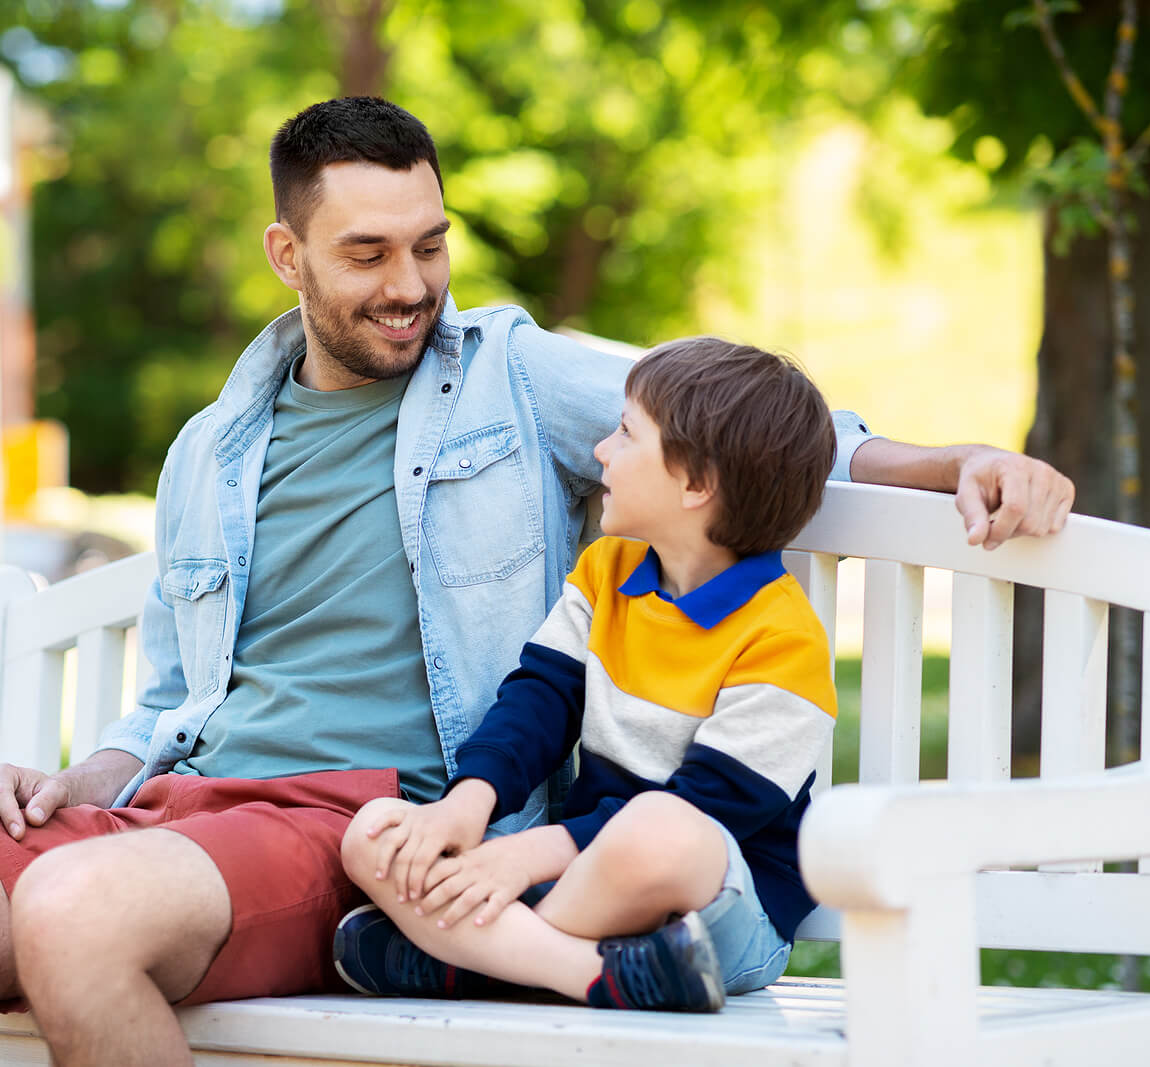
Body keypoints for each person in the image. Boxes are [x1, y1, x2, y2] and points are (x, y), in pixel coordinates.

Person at [0, 97, 1075, 1067]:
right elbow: (170, 689)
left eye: (429, 246)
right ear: (290, 257)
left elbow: (747, 426)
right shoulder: (213, 446)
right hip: (182, 806)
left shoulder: (508, 371)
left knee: (70, 910)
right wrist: (67, 778)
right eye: (369, 255)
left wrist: (954, 456)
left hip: (371, 820)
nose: (411, 287)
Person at [334, 337, 838, 1012]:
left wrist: (528, 855)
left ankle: (478, 958)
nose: (602, 449)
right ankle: (583, 972)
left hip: (716, 919)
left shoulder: (783, 639)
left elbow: (709, 810)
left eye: (627, 434)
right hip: (579, 881)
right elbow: (539, 700)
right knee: (375, 831)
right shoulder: (610, 572)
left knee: (661, 825)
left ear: (695, 484)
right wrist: (468, 801)